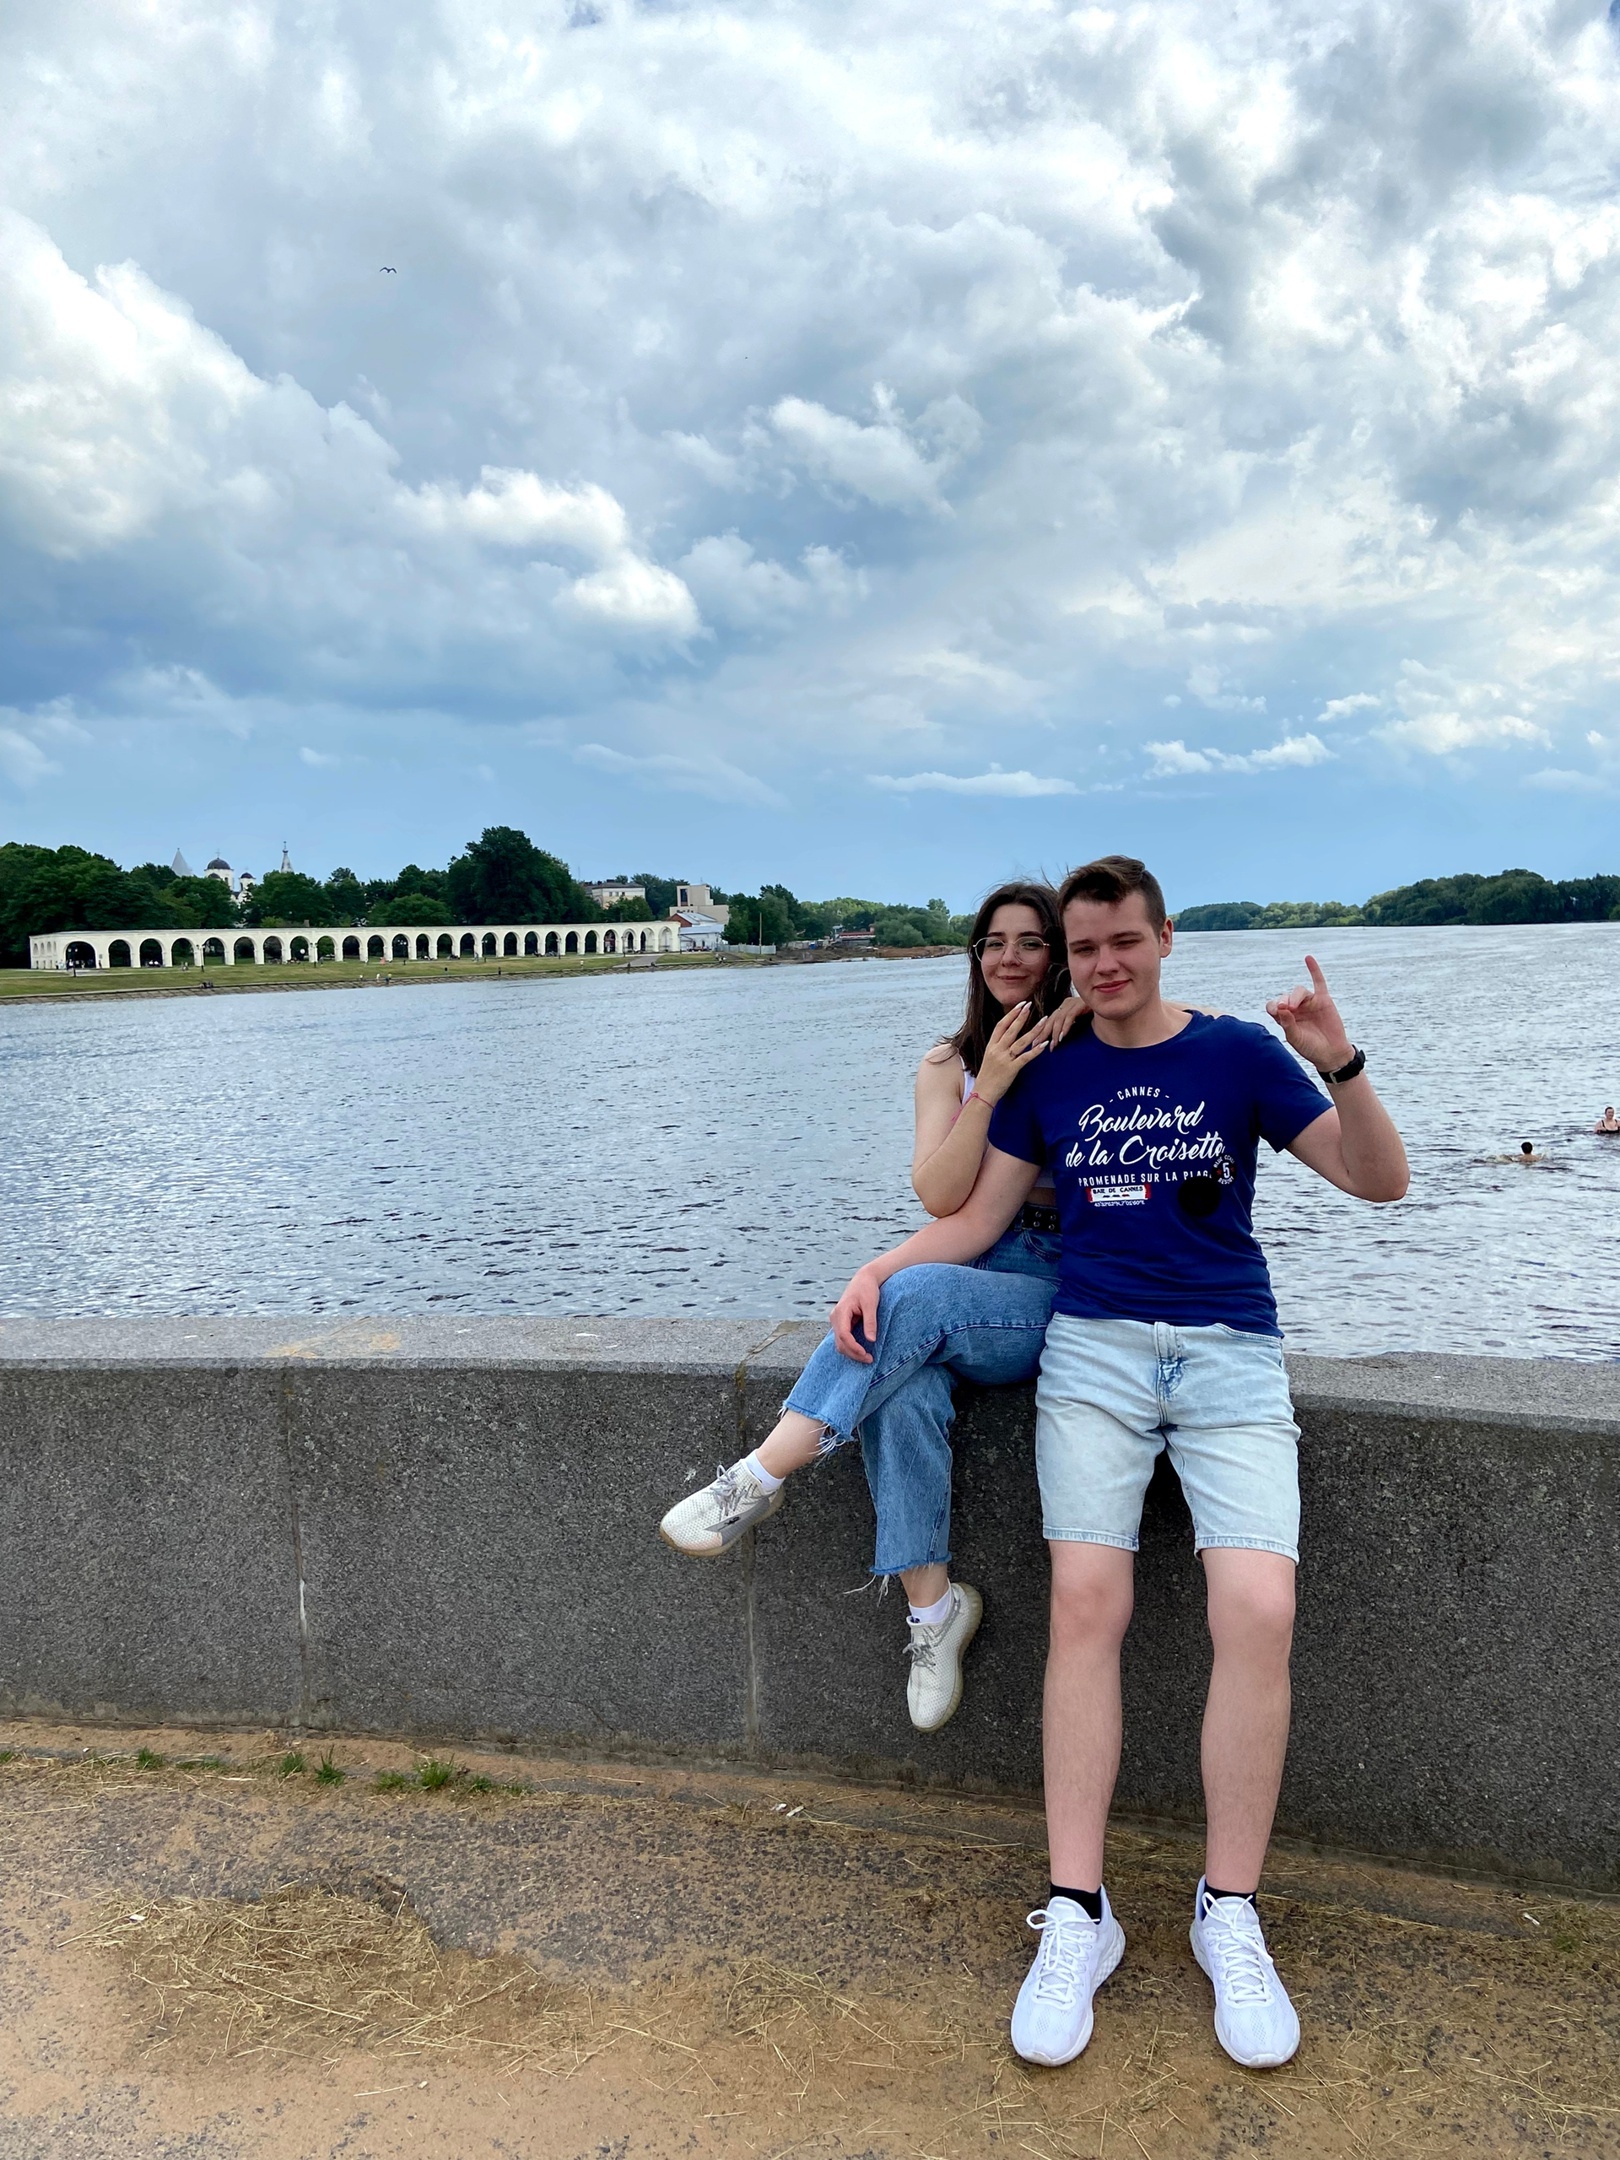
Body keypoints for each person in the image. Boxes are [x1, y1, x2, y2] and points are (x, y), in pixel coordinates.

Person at [823, 855, 1408, 2073]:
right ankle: (1078, 1912)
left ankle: (1227, 1908)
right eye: (1083, 948)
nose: (1102, 965)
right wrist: (880, 1269)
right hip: (1091, 1354)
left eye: (1122, 942)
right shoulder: (1050, 1068)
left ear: (1164, 937)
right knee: (1087, 1603)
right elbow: (977, 1219)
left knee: (1259, 1608)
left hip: (1230, 1353)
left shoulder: (1239, 1053)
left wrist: (1339, 1062)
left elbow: (1379, 1182)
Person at [659, 882, 1080, 1734]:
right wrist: (991, 1085)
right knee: (904, 1386)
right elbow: (941, 1196)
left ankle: (760, 1476)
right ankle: (933, 1612)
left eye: (1031, 942)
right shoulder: (948, 1065)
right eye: (993, 942)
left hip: (1055, 1280)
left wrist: (881, 1274)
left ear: (1060, 953)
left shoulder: (1088, 1043)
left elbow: (1182, 1014)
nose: (1009, 959)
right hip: (966, 1256)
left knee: (905, 1299)